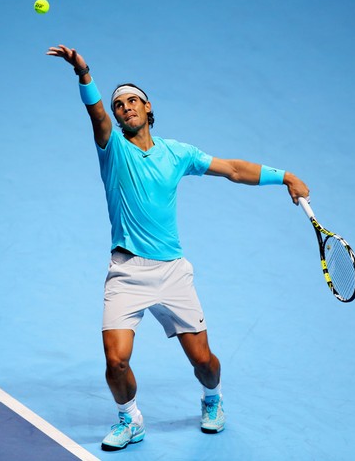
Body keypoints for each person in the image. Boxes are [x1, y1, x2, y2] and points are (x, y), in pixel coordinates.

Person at [47, 44, 310, 451]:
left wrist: (285, 176)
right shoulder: (113, 150)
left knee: (203, 362)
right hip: (127, 272)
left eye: (133, 100)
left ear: (148, 109)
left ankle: (212, 399)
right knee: (115, 360)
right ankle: (129, 418)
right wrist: (84, 73)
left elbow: (233, 170)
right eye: (119, 105)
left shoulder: (177, 154)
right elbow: (95, 114)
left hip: (172, 273)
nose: (124, 108)